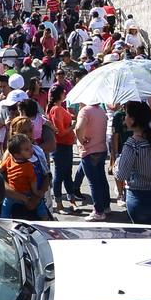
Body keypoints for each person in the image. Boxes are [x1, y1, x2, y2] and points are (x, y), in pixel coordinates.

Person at [115, 100, 151, 225]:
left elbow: (121, 175)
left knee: (142, 234)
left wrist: (117, 164)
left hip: (140, 197)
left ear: (133, 120)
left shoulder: (132, 145)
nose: (124, 118)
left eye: (127, 115)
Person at [75, 100, 110, 221]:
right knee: (101, 179)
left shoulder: (85, 111)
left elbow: (78, 128)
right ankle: (105, 206)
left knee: (93, 182)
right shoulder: (101, 111)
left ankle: (98, 211)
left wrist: (81, 140)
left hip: (89, 151)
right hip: (101, 149)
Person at [47, 85, 79, 213]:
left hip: (66, 145)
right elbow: (60, 132)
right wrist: (73, 126)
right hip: (61, 145)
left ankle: (71, 201)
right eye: (63, 92)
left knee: (67, 173)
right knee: (60, 174)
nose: (65, 93)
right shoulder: (56, 109)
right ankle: (59, 204)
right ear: (59, 94)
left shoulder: (59, 108)